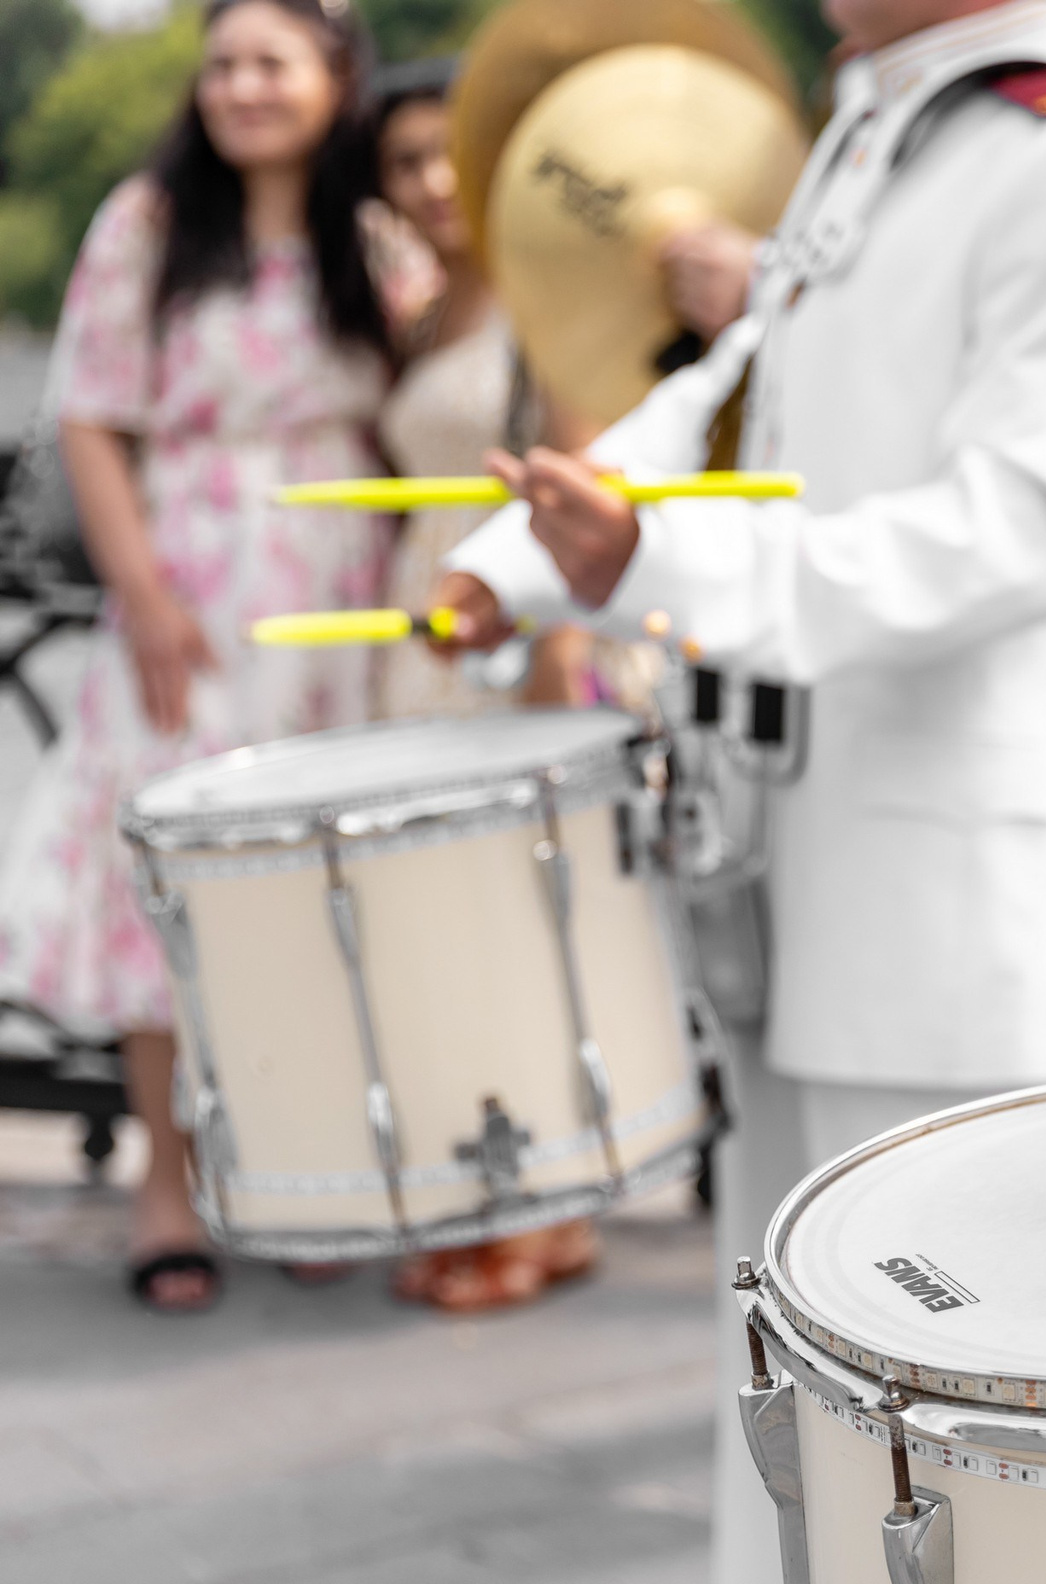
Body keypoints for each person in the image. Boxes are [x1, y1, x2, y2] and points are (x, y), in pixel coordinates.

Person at [429, 0, 1046, 1584]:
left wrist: (664, 570)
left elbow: (1035, 526)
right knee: (792, 1398)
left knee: (958, 1421)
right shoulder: (890, 126)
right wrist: (532, 555)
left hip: (944, 886)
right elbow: (732, 399)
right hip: (788, 856)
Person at [0, 0, 406, 1314]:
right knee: (171, 884)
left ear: (332, 79)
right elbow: (94, 417)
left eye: (271, 63)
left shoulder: (374, 229)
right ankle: (165, 1182)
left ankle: (298, 1164)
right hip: (190, 583)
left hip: (339, 597)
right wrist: (143, 589)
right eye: (224, 63)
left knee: (309, 887)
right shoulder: (152, 224)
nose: (243, 87)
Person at [364, 55, 643, 1313]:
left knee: (524, 920)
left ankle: (555, 1210)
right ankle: (487, 1193)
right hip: (425, 635)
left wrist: (557, 657)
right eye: (403, 163)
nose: (429, 184)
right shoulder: (430, 306)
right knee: (443, 928)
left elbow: (580, 487)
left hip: (521, 636)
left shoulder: (549, 300)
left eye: (448, 156)